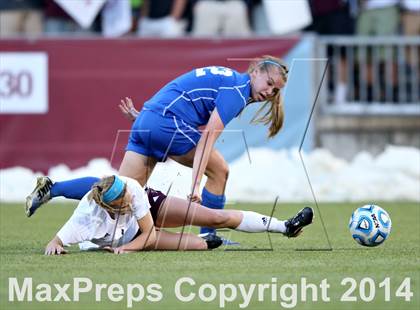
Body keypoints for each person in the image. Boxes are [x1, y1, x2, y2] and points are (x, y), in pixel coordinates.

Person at [27, 56, 289, 237]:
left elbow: (177, 91)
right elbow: (209, 135)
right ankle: (210, 236)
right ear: (254, 72)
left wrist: (144, 118)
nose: (269, 92)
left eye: (275, 91)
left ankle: (54, 188)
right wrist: (195, 183)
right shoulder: (237, 88)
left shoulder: (229, 79)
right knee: (219, 170)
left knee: (121, 191)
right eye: (268, 84)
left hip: (150, 120)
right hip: (164, 123)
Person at [44, 175, 314, 255]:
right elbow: (54, 242)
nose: (130, 200)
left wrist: (127, 251)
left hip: (146, 225)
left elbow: (148, 232)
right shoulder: (87, 215)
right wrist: (55, 246)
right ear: (108, 207)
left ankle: (284, 226)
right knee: (201, 245)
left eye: (128, 194)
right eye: (124, 202)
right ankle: (208, 243)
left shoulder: (134, 191)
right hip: (129, 236)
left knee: (213, 218)